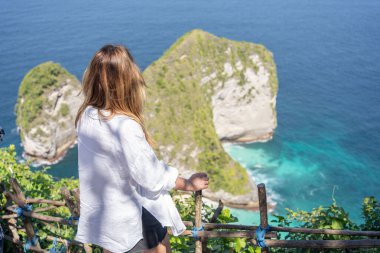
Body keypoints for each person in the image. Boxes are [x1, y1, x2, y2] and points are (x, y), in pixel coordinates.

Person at [74, 44, 209, 253]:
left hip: (104, 222)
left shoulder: (86, 117)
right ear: (128, 81)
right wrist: (189, 184)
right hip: (129, 225)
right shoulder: (125, 127)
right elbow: (150, 176)